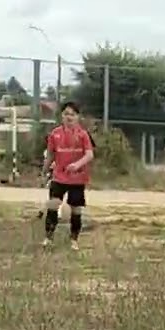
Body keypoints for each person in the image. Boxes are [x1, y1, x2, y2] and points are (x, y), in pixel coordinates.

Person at [41, 101, 95, 251]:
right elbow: (51, 155)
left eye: (72, 114)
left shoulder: (83, 135)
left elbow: (89, 155)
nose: (69, 117)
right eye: (66, 114)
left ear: (77, 117)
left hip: (77, 178)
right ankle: (49, 238)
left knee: (76, 210)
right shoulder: (55, 134)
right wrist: (44, 170)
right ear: (61, 116)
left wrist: (77, 165)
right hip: (59, 177)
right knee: (53, 205)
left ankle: (74, 240)